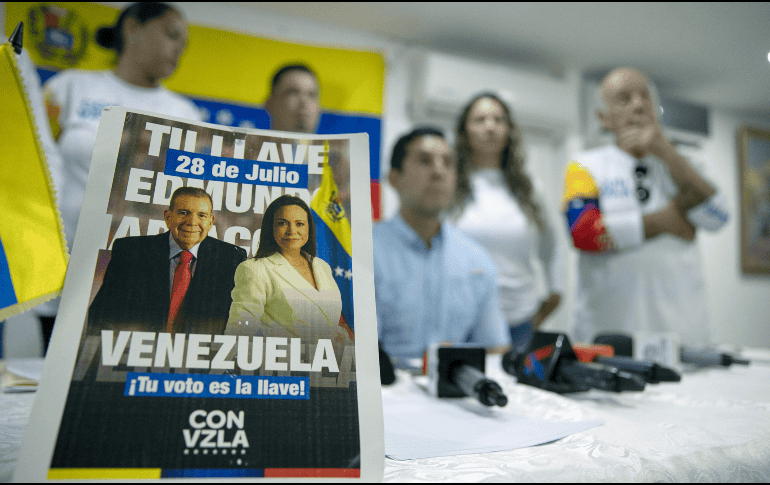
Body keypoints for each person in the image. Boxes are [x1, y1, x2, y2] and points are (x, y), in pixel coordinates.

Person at [38, 2, 203, 349]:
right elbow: (34, 163)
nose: (179, 50)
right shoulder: (69, 88)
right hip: (60, 261)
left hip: (138, 271)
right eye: (172, 35)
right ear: (132, 28)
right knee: (53, 365)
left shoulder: (186, 114)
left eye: (185, 46)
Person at [563, 67, 729, 346]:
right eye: (624, 99)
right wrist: (665, 221)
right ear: (604, 118)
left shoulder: (687, 163)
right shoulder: (584, 165)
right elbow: (584, 233)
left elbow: (719, 217)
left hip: (683, 334)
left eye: (645, 97)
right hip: (607, 334)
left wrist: (664, 150)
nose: (639, 105)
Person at [374, 127, 510, 365]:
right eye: (424, 161)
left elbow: (495, 349)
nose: (439, 171)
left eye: (447, 163)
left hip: (455, 392)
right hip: (384, 393)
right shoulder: (360, 253)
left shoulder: (477, 261)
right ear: (395, 178)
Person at [451, 93, 566, 353]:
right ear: (464, 131)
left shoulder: (529, 188)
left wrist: (554, 295)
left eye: (498, 119)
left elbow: (552, 247)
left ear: (509, 130)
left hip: (519, 322)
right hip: (462, 322)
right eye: (480, 119)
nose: (490, 126)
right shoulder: (449, 185)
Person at [88, 187, 247, 335]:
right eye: (184, 213)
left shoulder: (232, 258)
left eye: (202, 215)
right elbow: (100, 315)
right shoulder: (130, 251)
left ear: (211, 222)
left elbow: (237, 324)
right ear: (168, 217)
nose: (192, 222)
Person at [225, 195, 350, 347]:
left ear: (308, 228)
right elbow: (240, 330)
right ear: (271, 228)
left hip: (333, 363)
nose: (292, 231)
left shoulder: (321, 266)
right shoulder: (256, 269)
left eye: (299, 224)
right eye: (282, 223)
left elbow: (330, 325)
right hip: (286, 364)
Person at [265, 64, 321, 134]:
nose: (304, 101)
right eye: (293, 92)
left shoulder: (336, 145)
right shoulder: (249, 144)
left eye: (311, 94)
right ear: (270, 103)